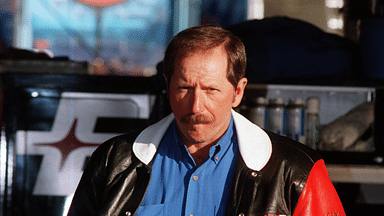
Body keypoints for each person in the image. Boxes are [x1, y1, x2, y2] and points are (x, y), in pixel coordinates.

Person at [68, 25, 346, 216]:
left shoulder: (296, 170)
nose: (196, 106)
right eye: (184, 88)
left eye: (211, 90)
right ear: (167, 86)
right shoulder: (114, 162)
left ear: (238, 91)